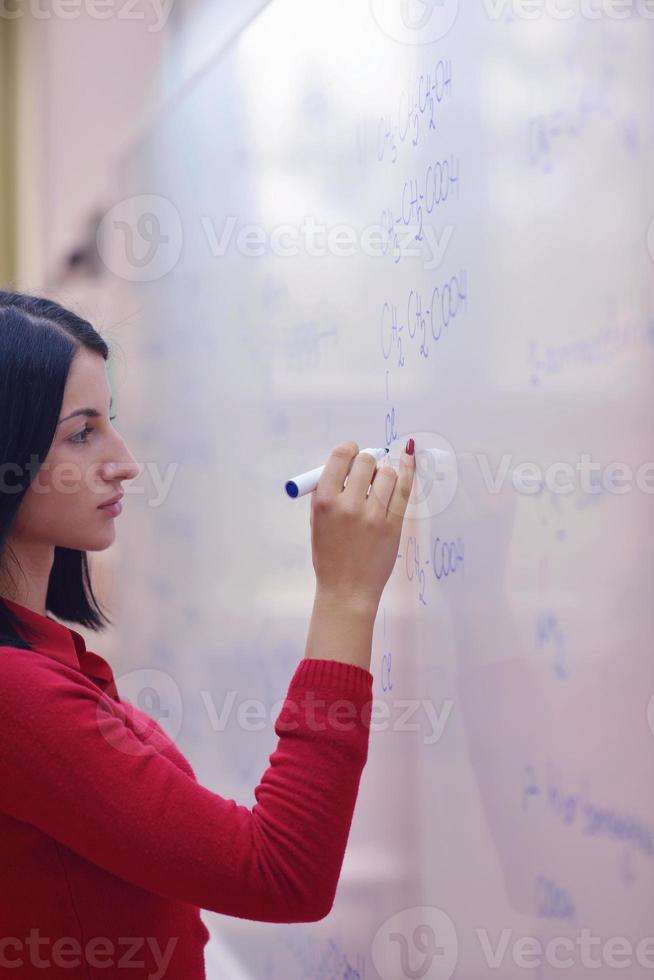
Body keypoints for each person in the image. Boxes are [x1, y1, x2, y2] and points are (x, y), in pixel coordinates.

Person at [0, 289, 416, 978]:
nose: (125, 461)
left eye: (111, 423)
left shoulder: (39, 660)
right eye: (82, 433)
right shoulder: (17, 696)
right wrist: (345, 595)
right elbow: (280, 872)